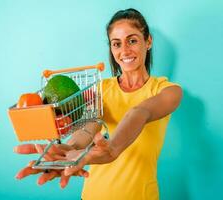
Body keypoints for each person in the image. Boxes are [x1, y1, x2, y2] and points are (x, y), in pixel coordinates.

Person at [14, 8, 182, 200]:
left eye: (132, 40)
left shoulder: (167, 91)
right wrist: (70, 150)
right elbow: (88, 129)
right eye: (116, 44)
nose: (124, 50)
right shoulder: (101, 89)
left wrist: (113, 149)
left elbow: (139, 112)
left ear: (148, 41)